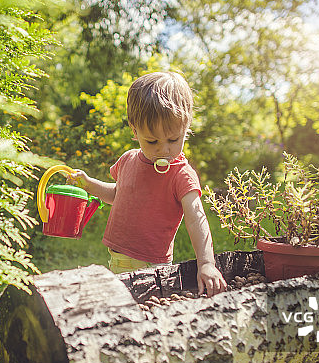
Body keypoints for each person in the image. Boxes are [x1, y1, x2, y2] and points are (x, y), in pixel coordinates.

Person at [68, 71, 227, 296]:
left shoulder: (181, 174)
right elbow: (118, 195)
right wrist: (89, 184)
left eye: (173, 139)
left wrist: (206, 263)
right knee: (120, 305)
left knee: (147, 308)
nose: (164, 149)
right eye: (152, 141)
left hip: (154, 268)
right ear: (134, 130)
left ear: (186, 127)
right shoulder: (128, 160)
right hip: (118, 259)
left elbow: (196, 218)